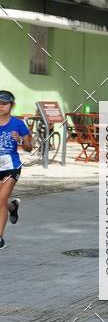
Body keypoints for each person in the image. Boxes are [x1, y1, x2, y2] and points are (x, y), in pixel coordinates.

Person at [0, 91, 32, 250]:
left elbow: (29, 147)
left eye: (4, 103)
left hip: (11, 167)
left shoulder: (18, 124)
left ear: (12, 105)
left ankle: (0, 238)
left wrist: (19, 140)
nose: (1, 106)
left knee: (0, 200)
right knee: (1, 202)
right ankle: (12, 206)